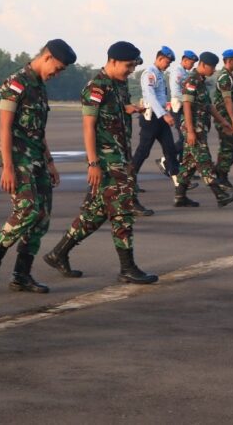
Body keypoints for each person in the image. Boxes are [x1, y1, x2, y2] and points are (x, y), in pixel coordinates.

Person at [44, 41, 158, 285]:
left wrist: (129, 109)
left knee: (95, 213)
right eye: (127, 66)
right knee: (122, 211)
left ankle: (58, 253)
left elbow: (115, 113)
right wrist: (93, 163)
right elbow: (88, 127)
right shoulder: (96, 87)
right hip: (106, 162)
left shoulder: (118, 85)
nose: (130, 71)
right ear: (113, 61)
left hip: (119, 157)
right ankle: (127, 267)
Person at [0, 40, 75, 293]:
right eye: (58, 67)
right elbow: (5, 127)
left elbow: (38, 131)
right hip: (18, 159)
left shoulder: (39, 87)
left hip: (37, 159)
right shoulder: (17, 83)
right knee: (28, 210)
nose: (58, 73)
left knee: (42, 218)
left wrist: (50, 161)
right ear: (47, 57)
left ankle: (21, 274)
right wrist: (7, 167)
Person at [172, 52, 233, 208]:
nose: (214, 70)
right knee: (204, 161)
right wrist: (190, 131)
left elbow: (209, 106)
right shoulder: (191, 81)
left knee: (189, 163)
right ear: (203, 65)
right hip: (193, 128)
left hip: (200, 127)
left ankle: (180, 196)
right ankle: (220, 195)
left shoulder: (201, 82)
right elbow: (187, 106)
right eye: (212, 67)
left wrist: (223, 122)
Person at [130, 45, 179, 216]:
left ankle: (179, 186)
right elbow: (150, 96)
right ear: (159, 58)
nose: (168, 65)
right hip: (152, 118)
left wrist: (165, 114)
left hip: (161, 117)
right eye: (167, 61)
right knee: (143, 152)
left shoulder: (159, 74)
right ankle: (129, 180)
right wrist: (164, 115)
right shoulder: (149, 73)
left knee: (170, 149)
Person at [162, 49, 197, 174]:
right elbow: (176, 92)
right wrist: (189, 100)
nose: (192, 65)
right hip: (178, 107)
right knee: (184, 138)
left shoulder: (185, 73)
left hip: (184, 107)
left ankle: (182, 167)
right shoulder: (177, 72)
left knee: (185, 139)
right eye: (191, 63)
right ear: (185, 60)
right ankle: (167, 160)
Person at [214, 49, 233, 191]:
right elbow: (227, 101)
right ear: (229, 61)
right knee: (228, 147)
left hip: (229, 118)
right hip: (224, 118)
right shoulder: (225, 78)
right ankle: (221, 178)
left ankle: (219, 172)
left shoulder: (229, 76)